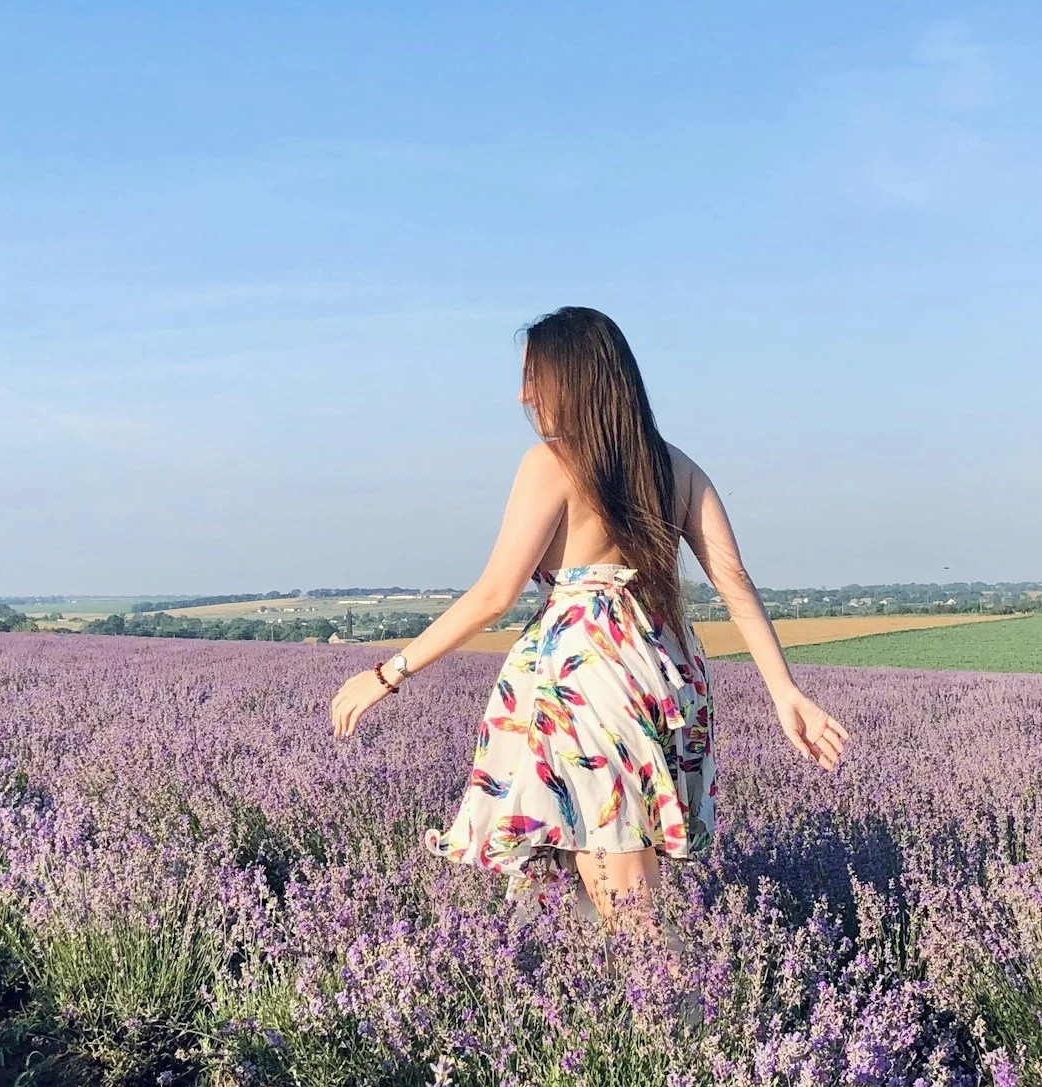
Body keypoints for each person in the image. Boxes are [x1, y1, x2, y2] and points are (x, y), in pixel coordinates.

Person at [330, 306, 848, 922]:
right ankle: (601, 1011)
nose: (523, 394)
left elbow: (496, 594)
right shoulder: (677, 467)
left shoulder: (551, 462)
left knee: (626, 903)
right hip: (662, 676)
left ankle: (686, 1012)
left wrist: (389, 673)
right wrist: (783, 690)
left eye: (534, 376)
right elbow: (733, 580)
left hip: (586, 686)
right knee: (580, 884)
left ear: (573, 379)